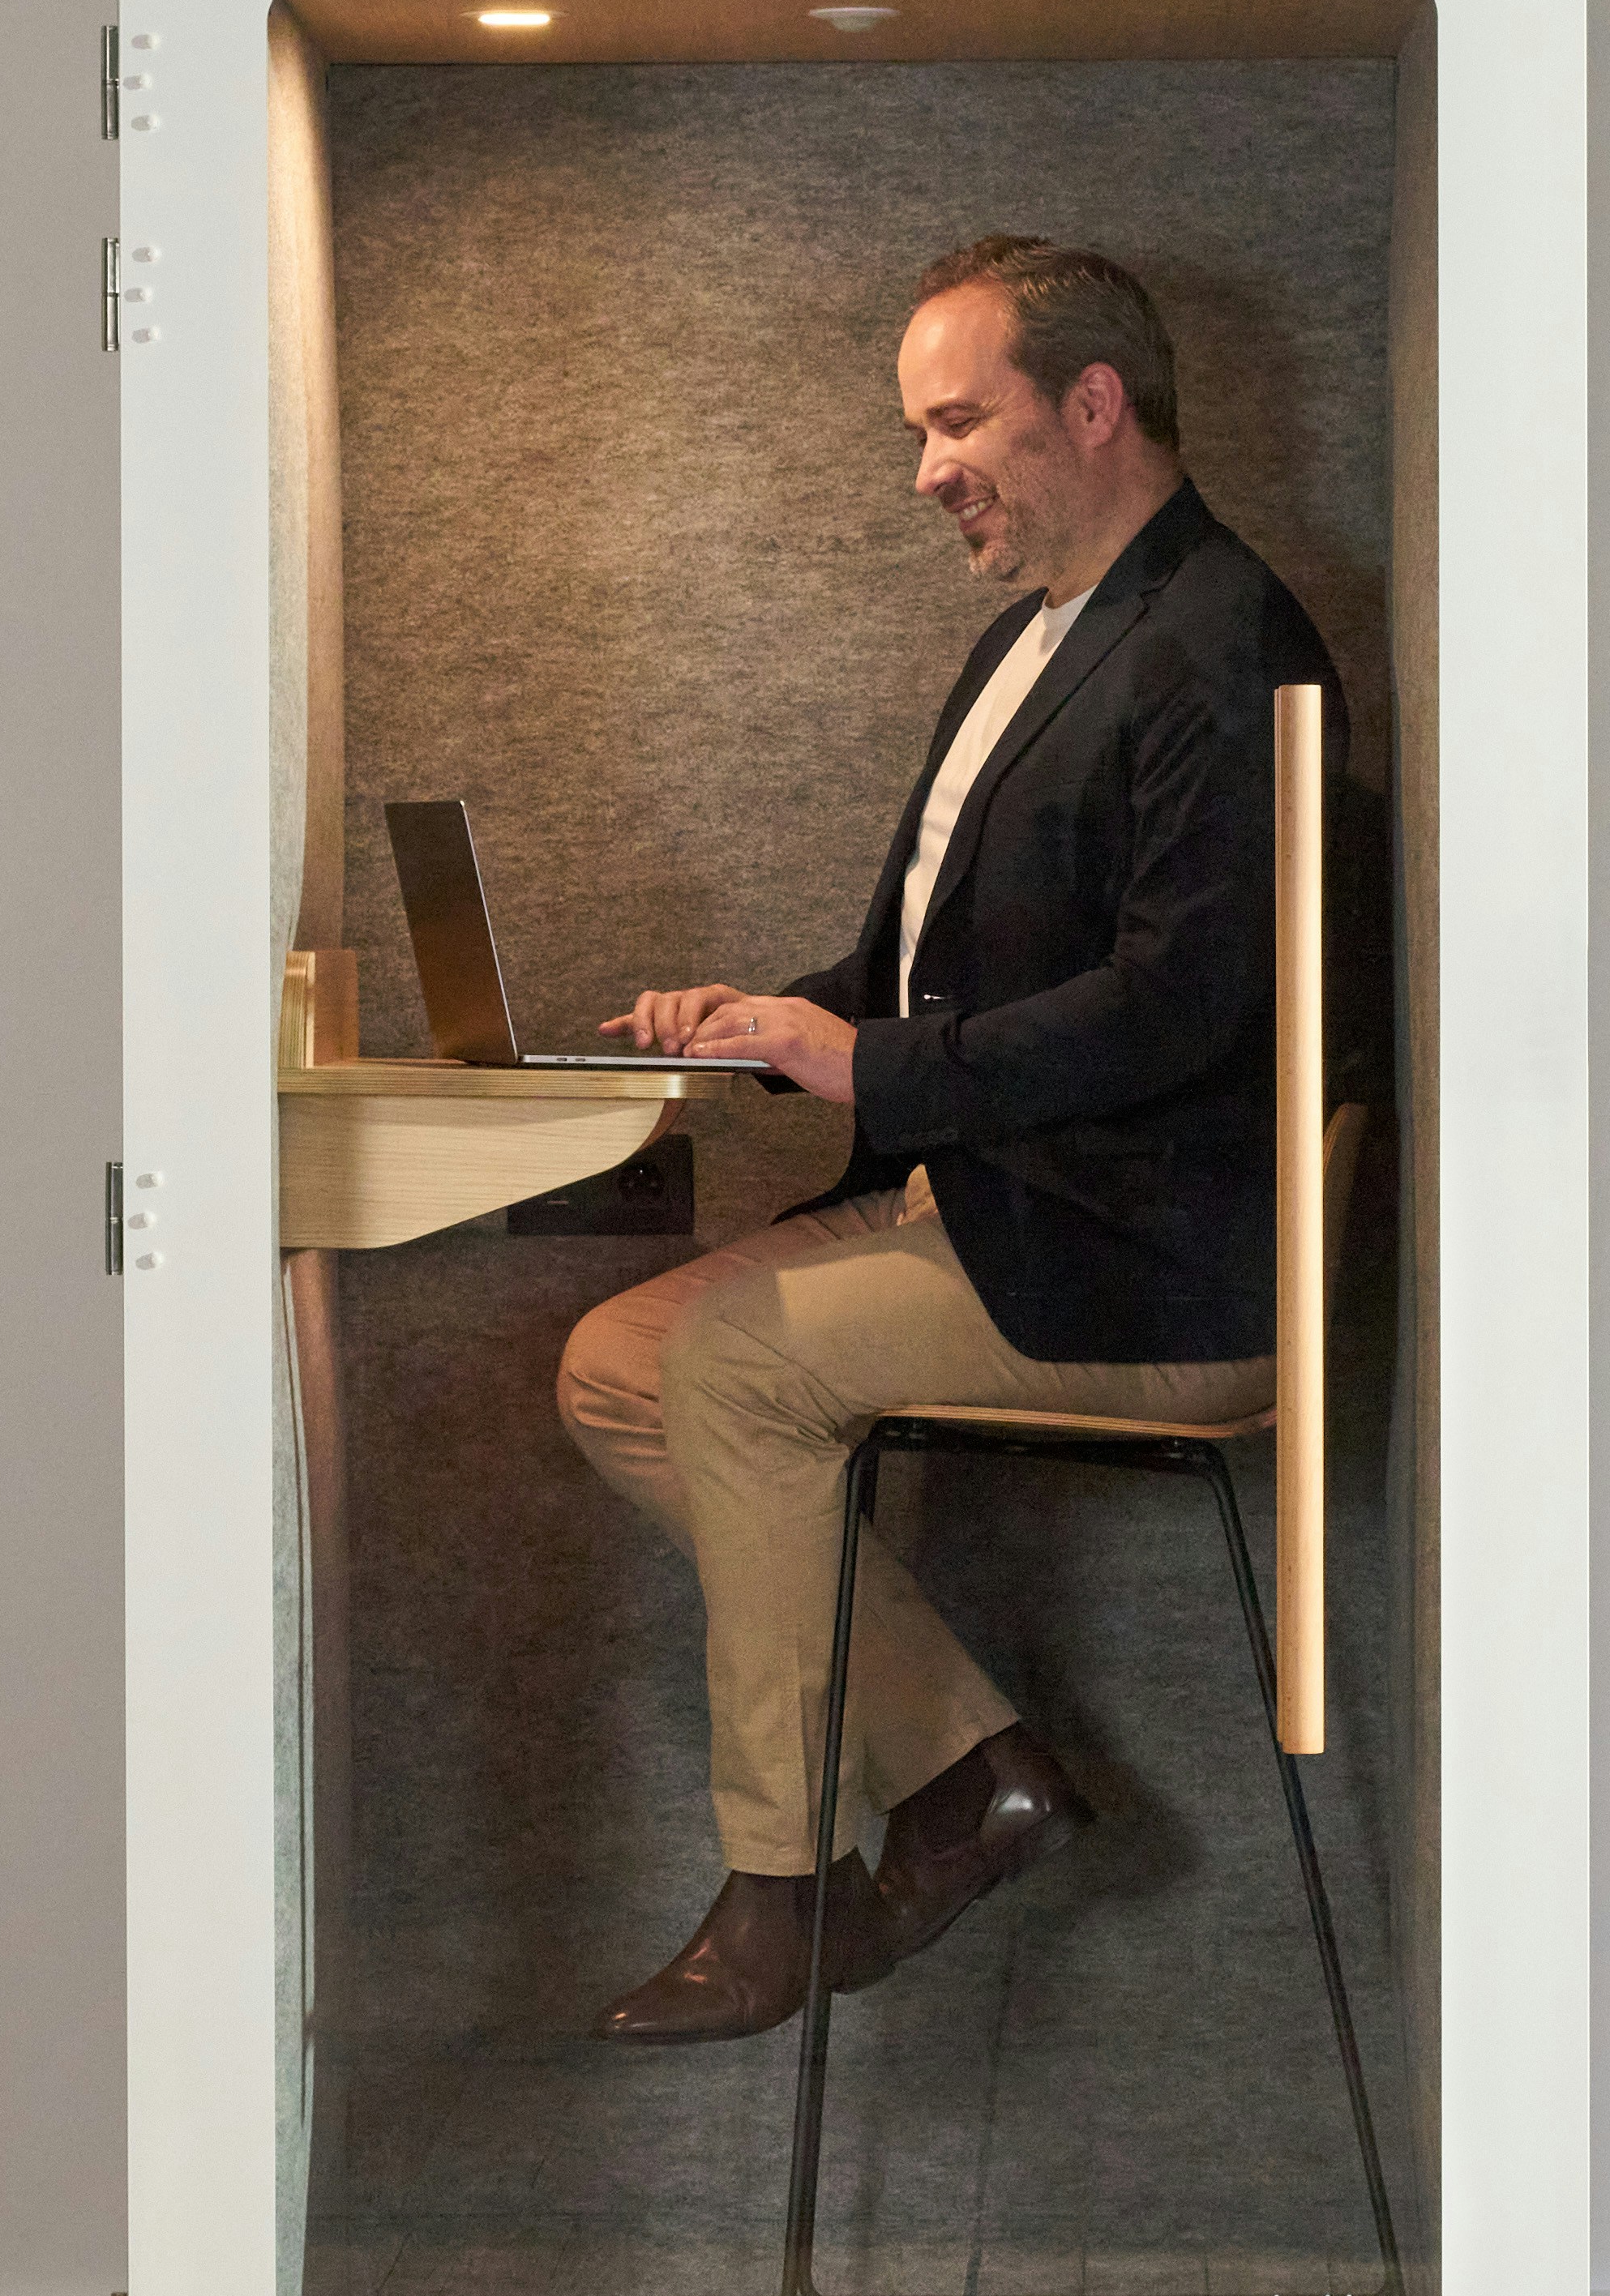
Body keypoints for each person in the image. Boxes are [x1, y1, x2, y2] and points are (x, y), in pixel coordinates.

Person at [550, 234, 1332, 2044]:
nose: (926, 472)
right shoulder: (1024, 642)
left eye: (957, 421)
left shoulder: (1225, 639)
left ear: (1094, 402)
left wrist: (874, 1072)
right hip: (996, 1192)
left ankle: (779, 1887)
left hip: (1150, 1260)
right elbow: (931, 966)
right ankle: (976, 1774)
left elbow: (1185, 1005)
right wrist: (775, 1023)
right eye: (920, 431)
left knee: (729, 1366)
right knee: (614, 1368)